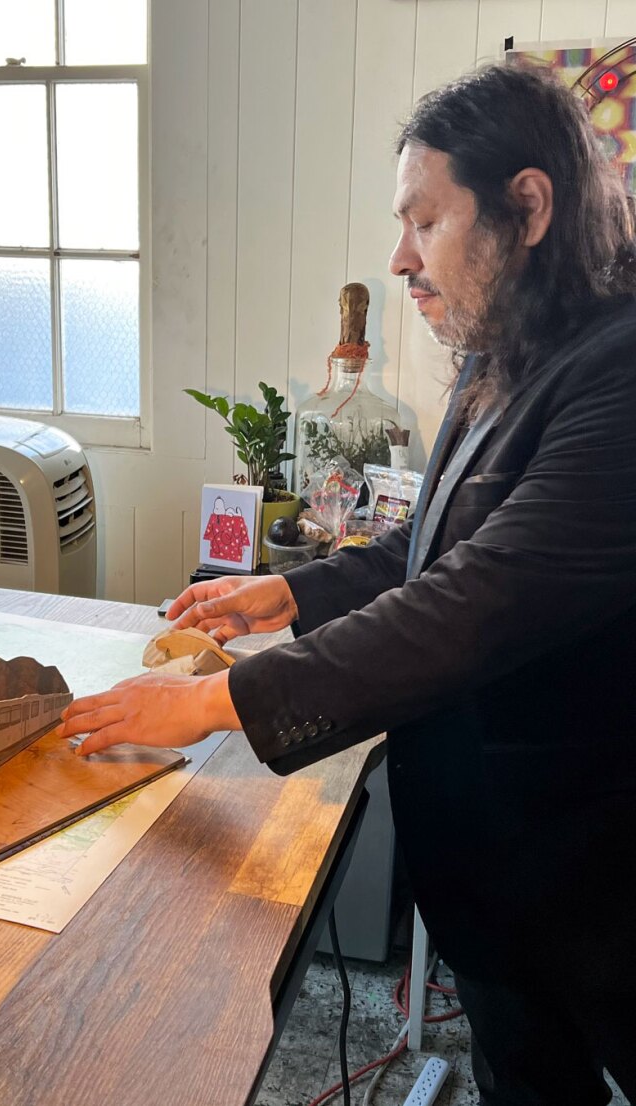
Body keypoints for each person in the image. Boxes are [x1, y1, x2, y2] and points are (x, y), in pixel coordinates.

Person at [58, 62, 636, 1106]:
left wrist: (209, 699)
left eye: (426, 222)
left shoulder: (621, 370)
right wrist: (284, 595)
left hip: (594, 871)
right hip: (499, 869)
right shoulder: (507, 343)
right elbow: (436, 540)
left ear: (527, 207)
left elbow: (474, 602)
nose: (398, 258)